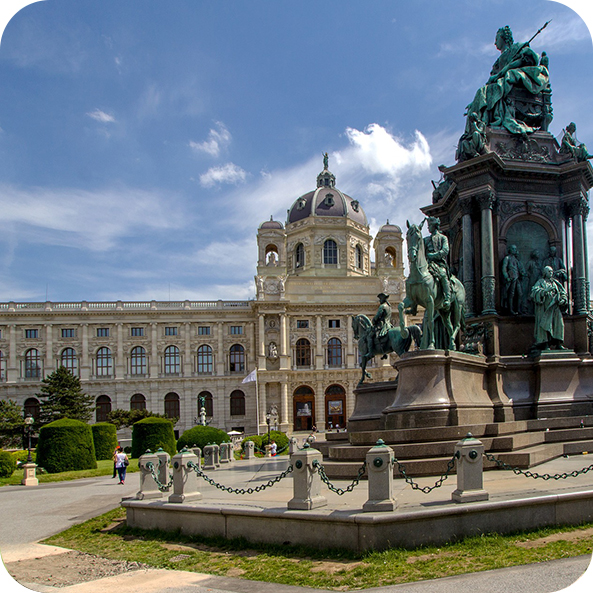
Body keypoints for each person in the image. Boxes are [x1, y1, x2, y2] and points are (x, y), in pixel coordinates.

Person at [465, 26, 549, 135]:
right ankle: (477, 129)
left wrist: (500, 74)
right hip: (501, 83)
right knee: (481, 92)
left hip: (513, 82)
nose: (495, 43)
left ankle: (492, 121)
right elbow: (491, 81)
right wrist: (474, 102)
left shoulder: (517, 48)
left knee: (500, 83)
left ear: (503, 38)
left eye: (496, 39)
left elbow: (526, 59)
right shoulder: (497, 62)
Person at [531, 266, 568, 350]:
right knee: (545, 326)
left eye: (551, 272)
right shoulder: (540, 282)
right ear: (544, 273)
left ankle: (558, 343)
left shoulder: (556, 283)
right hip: (544, 308)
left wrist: (563, 300)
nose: (551, 273)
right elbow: (534, 292)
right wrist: (545, 291)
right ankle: (545, 344)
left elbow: (563, 293)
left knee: (559, 324)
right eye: (549, 272)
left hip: (554, 307)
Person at [423, 217, 451, 309]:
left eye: (429, 225)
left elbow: (445, 250)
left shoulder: (443, 238)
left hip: (439, 264)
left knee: (443, 275)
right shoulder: (426, 240)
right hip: (428, 265)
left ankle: (447, 297)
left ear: (435, 226)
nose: (428, 228)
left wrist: (433, 255)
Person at [366, 293, 393, 359]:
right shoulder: (389, 307)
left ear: (382, 299)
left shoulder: (382, 306)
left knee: (369, 336)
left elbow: (378, 316)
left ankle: (370, 352)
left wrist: (374, 320)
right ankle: (384, 352)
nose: (379, 300)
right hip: (389, 325)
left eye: (380, 299)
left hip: (382, 325)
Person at [501, 244, 525, 315]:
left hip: (517, 278)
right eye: (513, 249)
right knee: (511, 294)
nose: (514, 250)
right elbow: (504, 269)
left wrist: (522, 273)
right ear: (510, 250)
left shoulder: (516, 260)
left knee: (520, 294)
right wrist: (506, 277)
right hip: (511, 279)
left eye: (515, 249)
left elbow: (519, 268)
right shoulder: (507, 258)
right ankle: (510, 309)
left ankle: (518, 309)